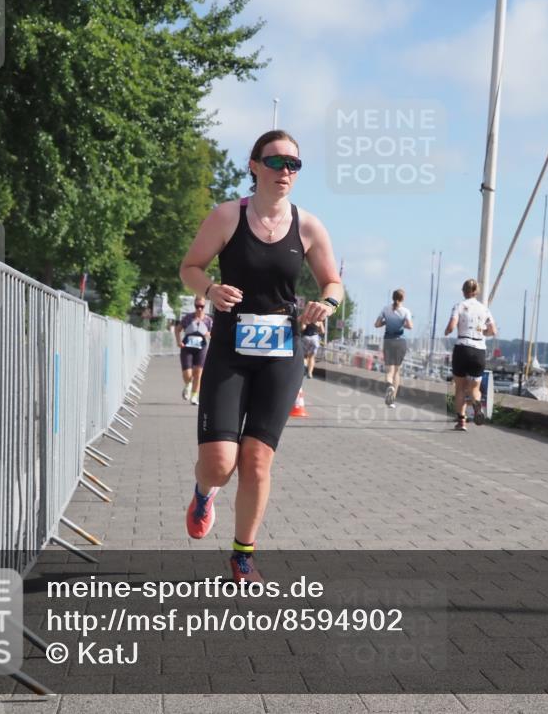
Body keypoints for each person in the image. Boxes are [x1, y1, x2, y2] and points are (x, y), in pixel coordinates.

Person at [179, 130, 343, 583]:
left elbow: (333, 283)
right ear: (254, 166)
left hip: (281, 350)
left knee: (256, 460)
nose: (285, 171)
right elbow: (189, 267)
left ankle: (243, 553)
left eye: (294, 164)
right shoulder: (228, 217)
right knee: (219, 464)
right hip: (231, 346)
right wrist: (209, 288)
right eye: (276, 162)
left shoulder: (308, 225)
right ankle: (203, 492)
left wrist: (325, 304)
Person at [444, 279, 496, 432]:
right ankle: (477, 405)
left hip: (462, 348)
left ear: (463, 291)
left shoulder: (459, 306)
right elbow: (493, 331)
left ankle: (461, 422)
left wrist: (447, 331)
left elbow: (452, 326)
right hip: (479, 350)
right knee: (474, 389)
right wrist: (483, 332)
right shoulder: (484, 309)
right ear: (477, 292)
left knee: (460, 388)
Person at [375, 289, 413, 407]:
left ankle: (389, 385)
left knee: (389, 371)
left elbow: (376, 324)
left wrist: (386, 322)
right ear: (403, 298)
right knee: (397, 371)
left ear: (392, 297)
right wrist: (402, 323)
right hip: (400, 342)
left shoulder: (385, 309)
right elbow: (410, 326)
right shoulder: (405, 311)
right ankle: (392, 400)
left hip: (388, 342)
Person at [175, 298, 213, 404]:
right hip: (187, 347)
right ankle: (188, 384)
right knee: (187, 373)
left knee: (198, 373)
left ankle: (194, 396)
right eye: (197, 306)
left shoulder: (208, 320)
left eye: (202, 306)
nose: (199, 309)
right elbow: (177, 329)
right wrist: (179, 342)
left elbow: (213, 334)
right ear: (194, 305)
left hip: (201, 348)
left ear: (205, 307)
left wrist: (208, 334)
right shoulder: (188, 318)